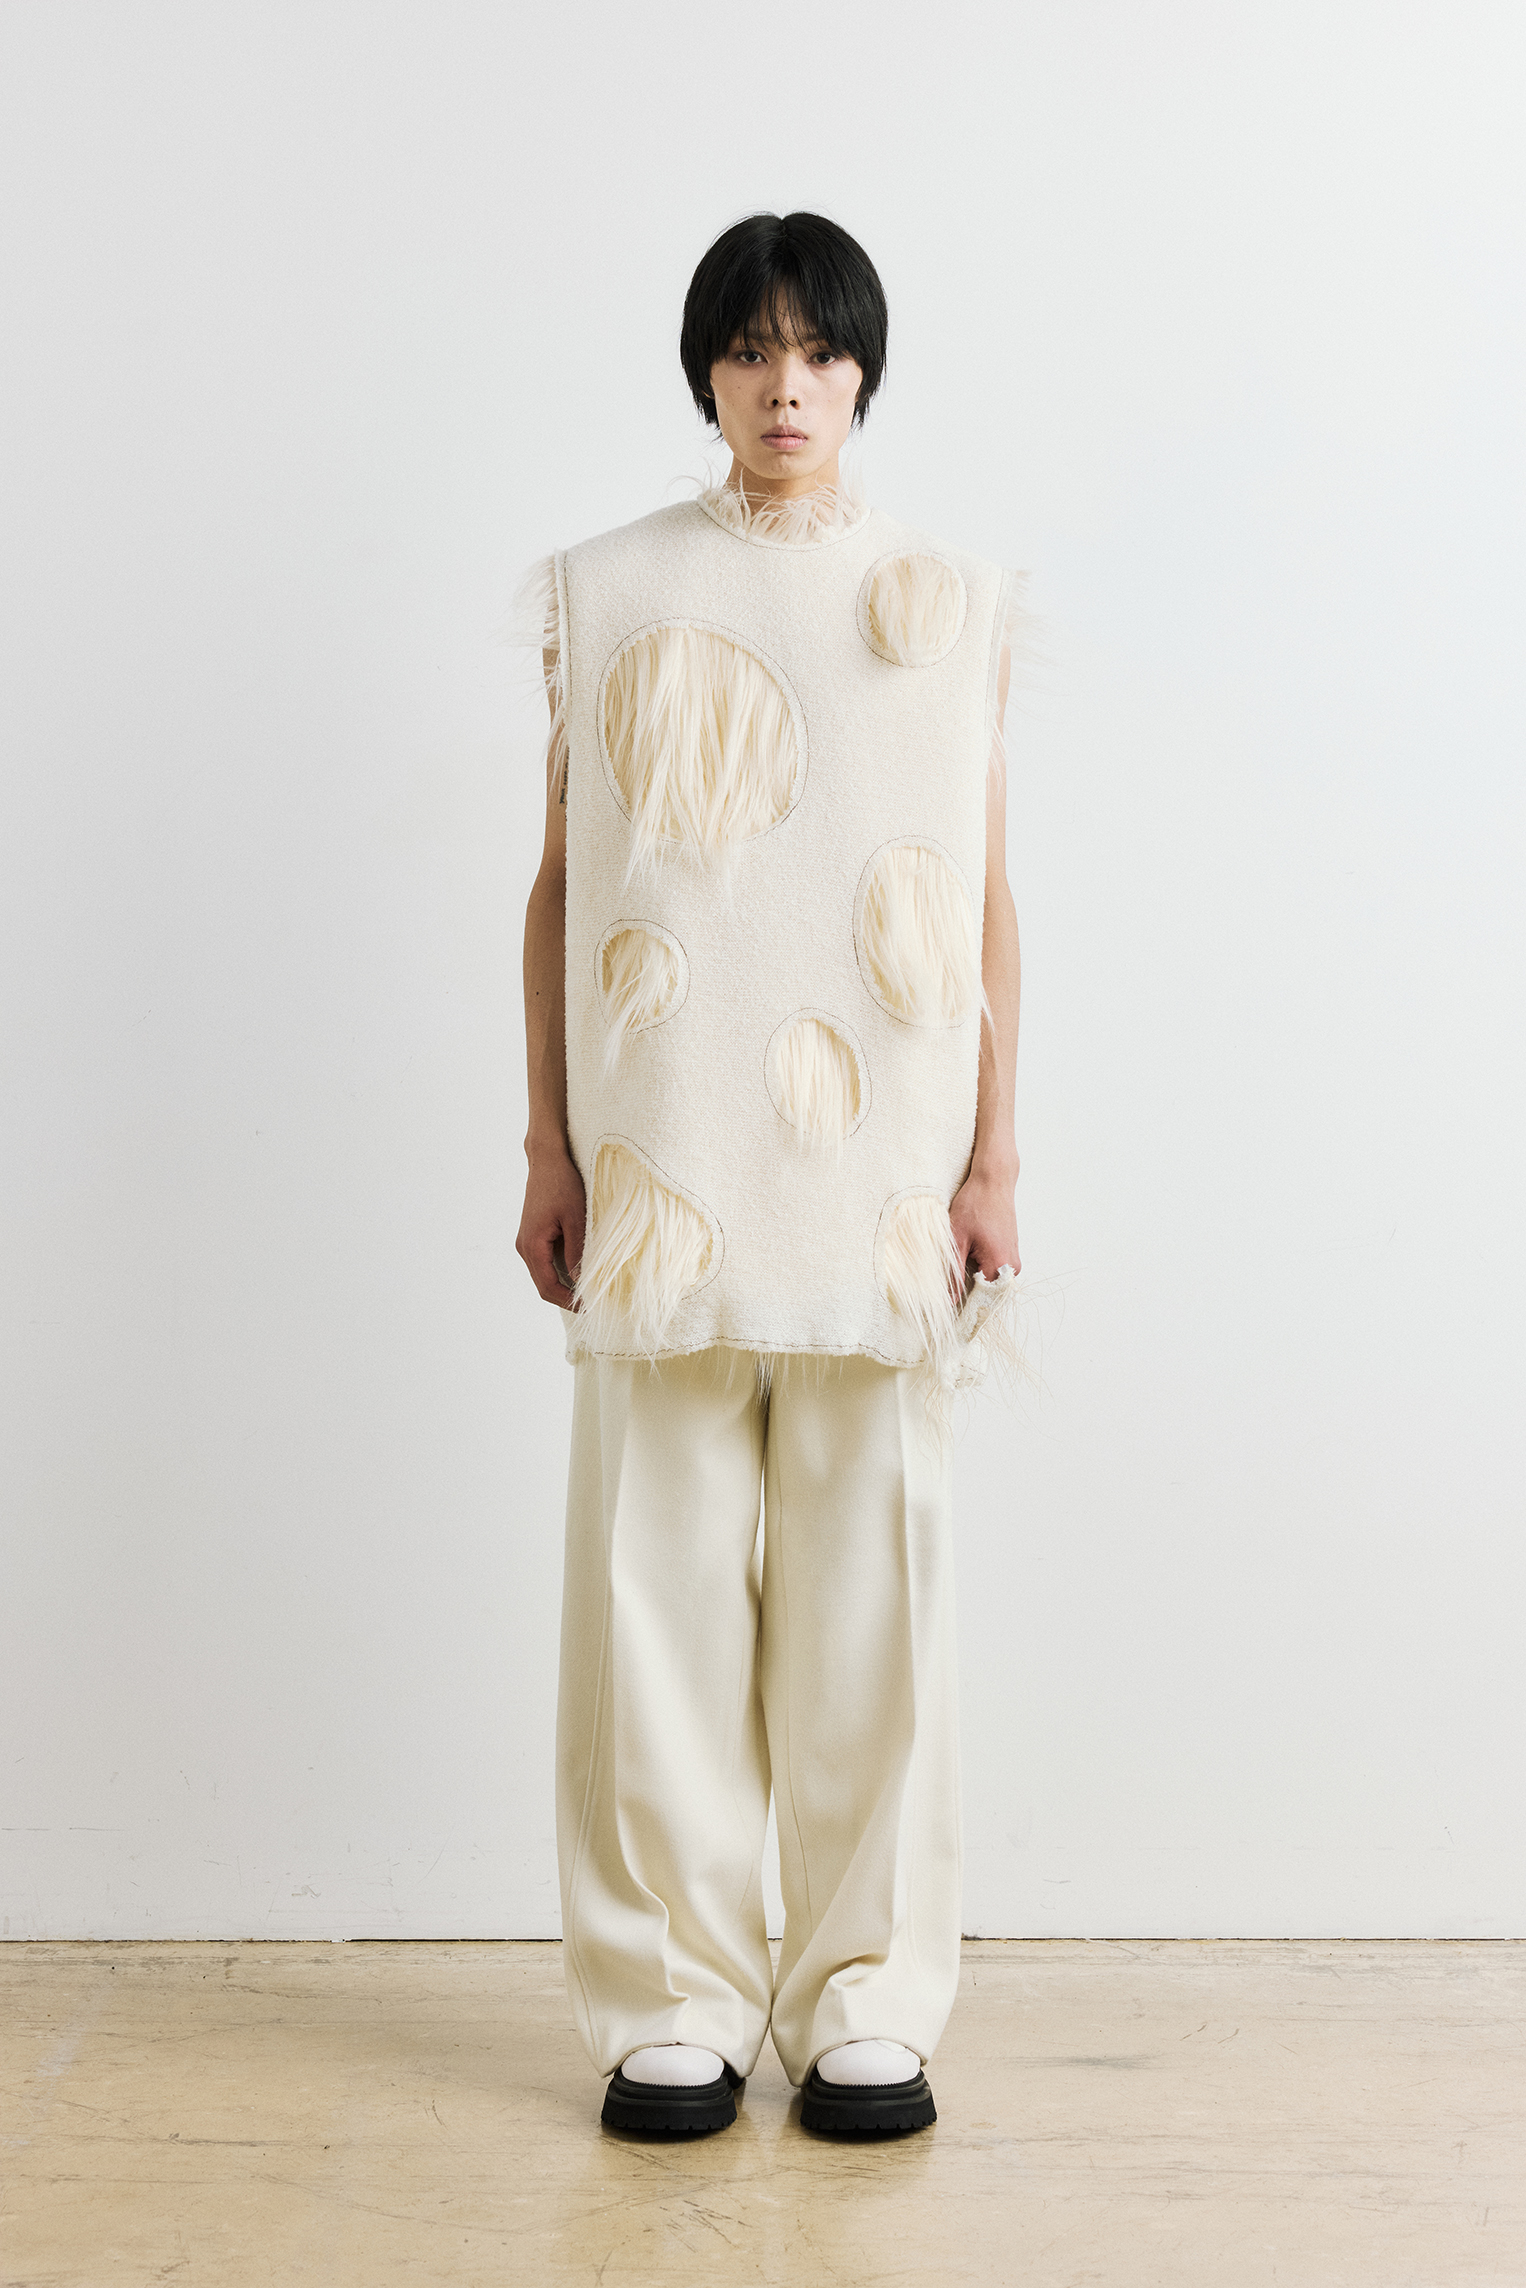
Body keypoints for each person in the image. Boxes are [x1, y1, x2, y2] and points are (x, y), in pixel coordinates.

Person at [515, 211, 1022, 2140]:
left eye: (816, 351)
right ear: (705, 375)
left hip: (881, 1171)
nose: (783, 386)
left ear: (863, 373)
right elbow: (562, 885)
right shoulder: (610, 587)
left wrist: (991, 1155)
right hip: (665, 1162)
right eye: (748, 351)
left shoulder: (942, 601)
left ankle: (868, 1991)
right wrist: (550, 1141)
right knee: (650, 1590)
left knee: (871, 1591)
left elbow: (980, 897)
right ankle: (674, 1996)